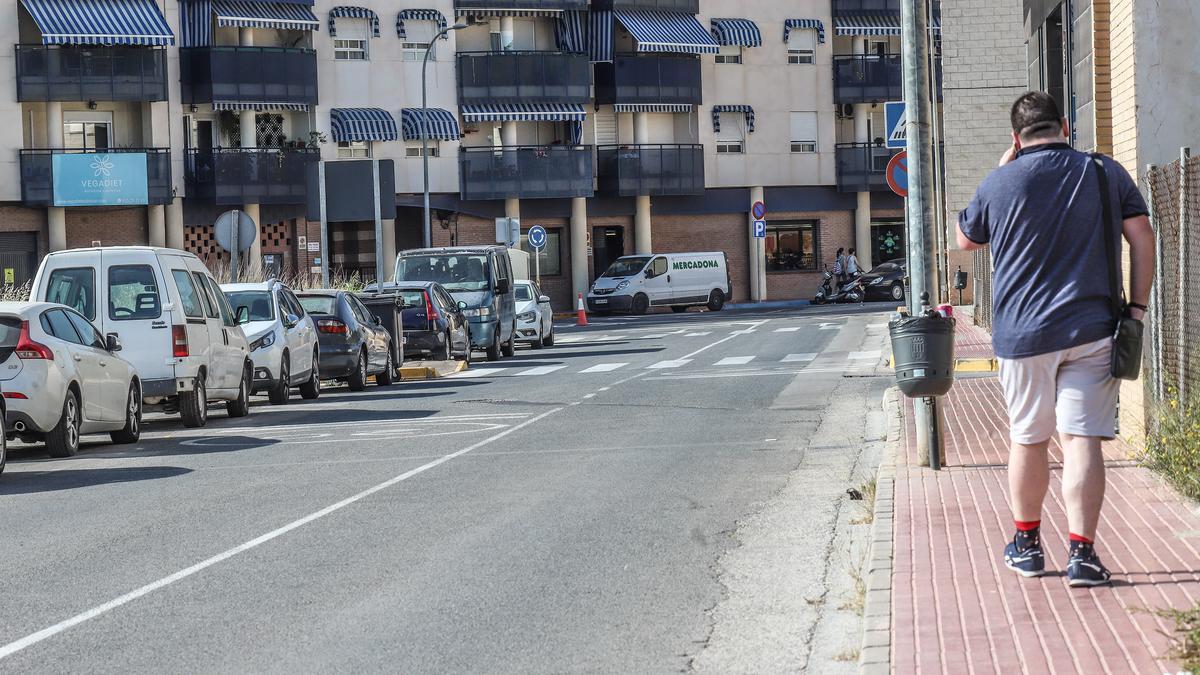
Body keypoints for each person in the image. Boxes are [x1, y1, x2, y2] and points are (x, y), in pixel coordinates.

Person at [957, 91, 1154, 587]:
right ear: (1064, 125)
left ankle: (1026, 546)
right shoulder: (1104, 172)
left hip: (1022, 335)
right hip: (1093, 330)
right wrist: (1138, 307)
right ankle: (1083, 556)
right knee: (1083, 439)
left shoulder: (1000, 182)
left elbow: (966, 240)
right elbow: (1143, 236)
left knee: (1029, 438)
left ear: (1015, 138)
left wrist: (1005, 166)